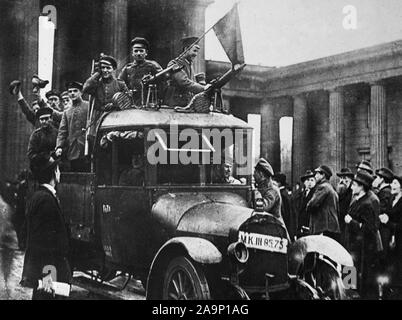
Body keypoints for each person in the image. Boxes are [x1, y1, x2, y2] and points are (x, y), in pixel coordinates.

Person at [20, 158, 71, 300]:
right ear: (54, 173)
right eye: (58, 169)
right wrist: (49, 276)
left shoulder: (39, 196)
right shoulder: (46, 200)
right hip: (49, 270)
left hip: (46, 269)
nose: (60, 173)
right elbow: (45, 242)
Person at [344, 170, 380, 298]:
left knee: (359, 278)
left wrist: (351, 221)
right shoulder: (358, 199)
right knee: (349, 270)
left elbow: (369, 228)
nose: (351, 187)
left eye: (354, 185)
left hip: (362, 249)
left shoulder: (368, 203)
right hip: (353, 246)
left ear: (362, 186)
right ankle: (349, 294)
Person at [83, 54, 129, 136]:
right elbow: (86, 88)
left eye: (108, 68)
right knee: (95, 142)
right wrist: (97, 74)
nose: (105, 70)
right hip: (97, 118)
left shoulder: (120, 84)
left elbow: (127, 101)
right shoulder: (96, 83)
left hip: (115, 117)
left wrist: (115, 104)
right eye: (103, 68)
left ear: (113, 69)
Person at [55, 81, 90, 172]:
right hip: (73, 150)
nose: (72, 93)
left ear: (81, 92)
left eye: (75, 91)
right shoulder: (67, 112)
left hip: (87, 148)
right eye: (70, 91)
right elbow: (62, 131)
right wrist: (59, 146)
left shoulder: (89, 106)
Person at [118, 37, 163, 106]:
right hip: (131, 104)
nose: (138, 53)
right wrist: (126, 90)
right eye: (136, 51)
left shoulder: (153, 66)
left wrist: (153, 79)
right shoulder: (127, 68)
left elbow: (163, 80)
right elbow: (119, 81)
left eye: (141, 51)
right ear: (132, 53)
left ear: (146, 53)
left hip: (149, 103)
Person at [165, 36, 208, 107]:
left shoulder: (189, 64)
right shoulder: (174, 63)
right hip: (174, 103)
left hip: (185, 104)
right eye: (194, 51)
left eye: (197, 51)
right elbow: (183, 82)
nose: (196, 54)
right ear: (186, 49)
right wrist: (204, 88)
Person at [379, 174, 402, 290]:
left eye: (395, 183)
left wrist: (387, 222)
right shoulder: (392, 199)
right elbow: (389, 213)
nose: (392, 185)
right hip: (390, 238)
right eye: (392, 183)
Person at [306, 165, 340, 240]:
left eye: (317, 173)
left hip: (323, 228)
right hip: (331, 228)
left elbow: (312, 204)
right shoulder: (331, 188)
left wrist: (308, 206)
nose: (315, 176)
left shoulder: (323, 187)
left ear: (323, 175)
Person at [27, 107, 58, 174]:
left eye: (46, 119)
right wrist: (46, 158)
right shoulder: (36, 135)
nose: (44, 121)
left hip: (56, 166)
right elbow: (31, 154)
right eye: (41, 119)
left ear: (51, 119)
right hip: (40, 168)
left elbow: (64, 148)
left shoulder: (57, 133)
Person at [253, 158, 284, 224]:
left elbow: (261, 208)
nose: (253, 175)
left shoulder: (272, 191)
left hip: (275, 228)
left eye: (255, 172)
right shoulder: (264, 187)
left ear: (262, 175)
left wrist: (255, 192)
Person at [294, 170, 316, 237]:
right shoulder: (300, 194)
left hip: (310, 225)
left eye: (312, 180)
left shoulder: (316, 194)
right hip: (300, 226)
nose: (310, 182)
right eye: (307, 180)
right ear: (304, 182)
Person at [273, 172, 295, 239]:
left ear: (279, 183)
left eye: (274, 183)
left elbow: (285, 213)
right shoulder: (285, 193)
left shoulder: (282, 195)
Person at [336, 167, 354, 244]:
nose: (342, 181)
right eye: (341, 178)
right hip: (339, 223)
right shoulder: (339, 192)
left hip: (348, 225)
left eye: (345, 178)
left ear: (350, 180)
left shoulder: (352, 192)